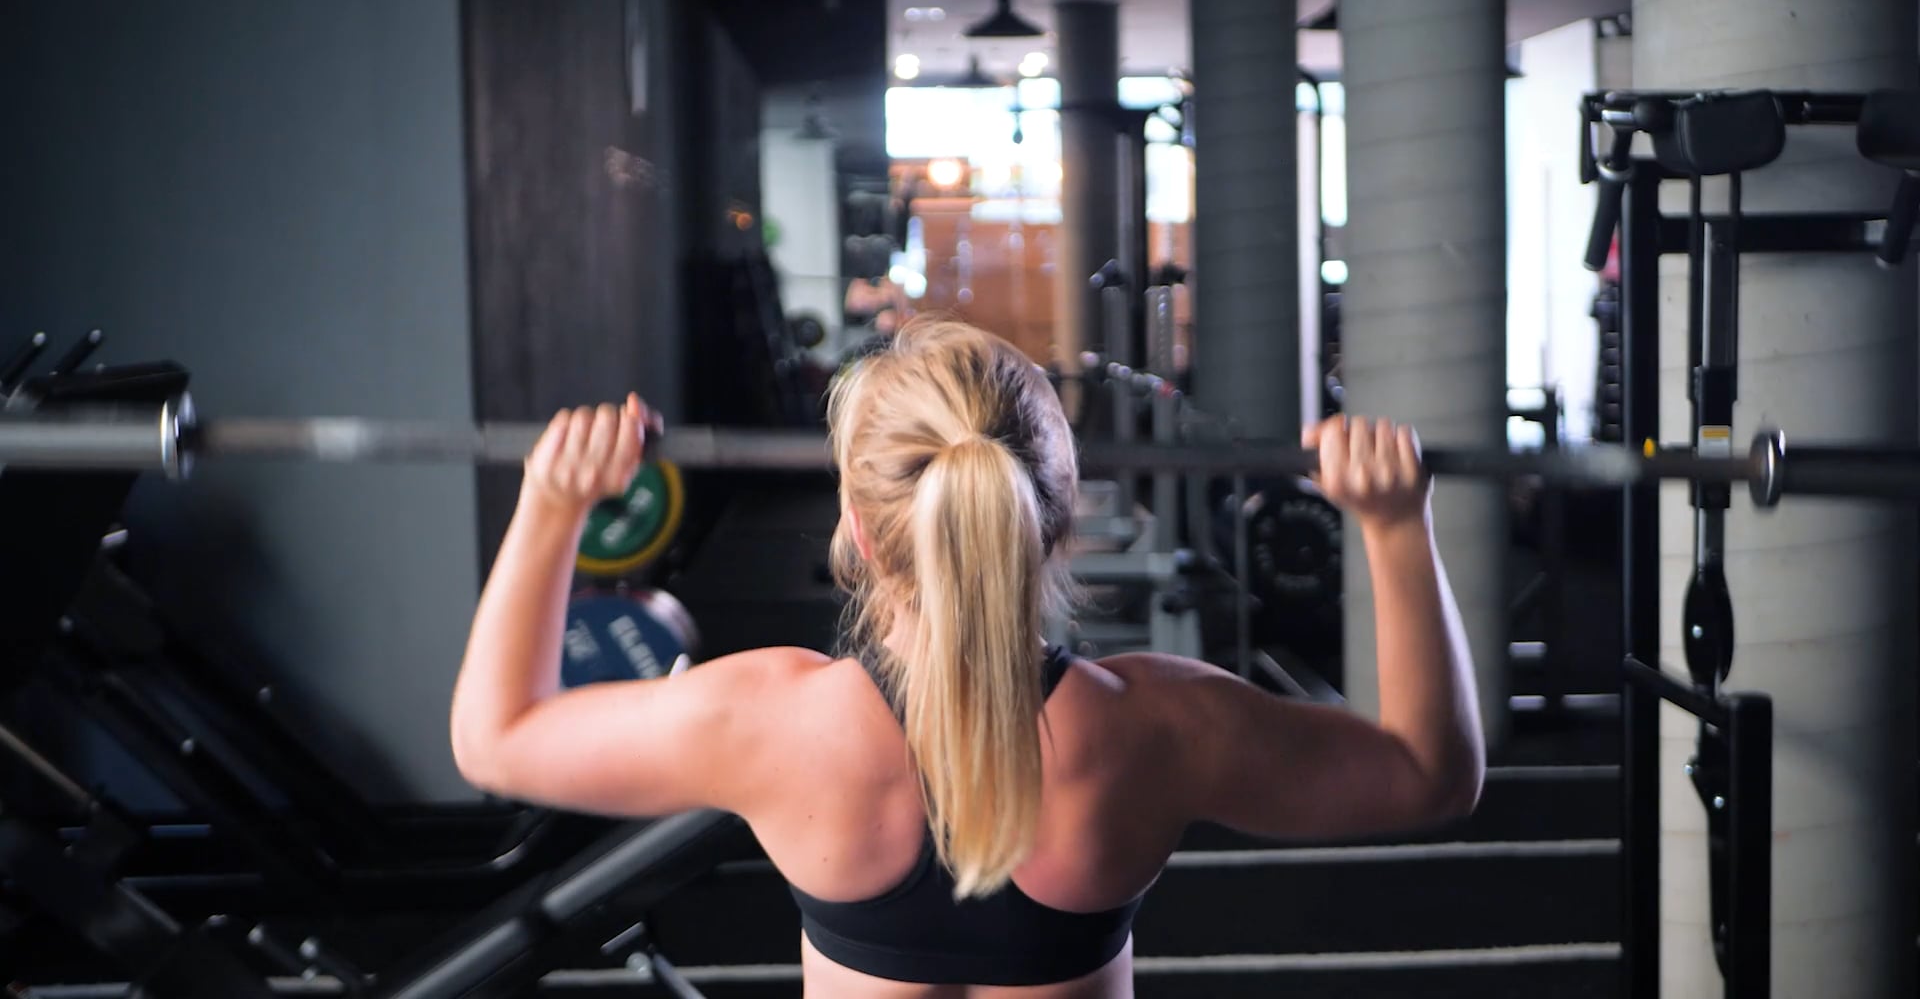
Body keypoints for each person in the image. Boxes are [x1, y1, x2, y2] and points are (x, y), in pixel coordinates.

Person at [449, 317, 1485, 998]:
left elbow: (495, 741)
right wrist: (1395, 528)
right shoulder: (1157, 725)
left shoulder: (771, 720)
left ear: (859, 526)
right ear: (1057, 516)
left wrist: (552, 506)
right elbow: (1432, 777)